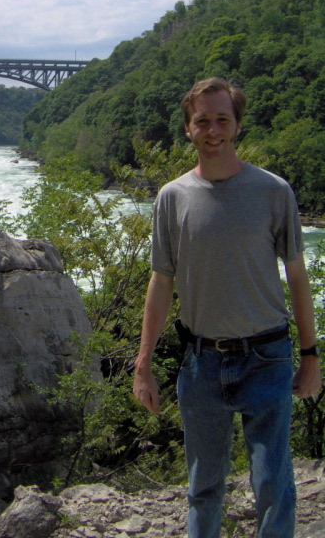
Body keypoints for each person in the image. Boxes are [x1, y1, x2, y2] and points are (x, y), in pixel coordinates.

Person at [133, 77, 322, 538]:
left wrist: (312, 355)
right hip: (200, 362)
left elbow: (297, 279)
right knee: (203, 486)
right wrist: (143, 364)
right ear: (187, 129)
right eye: (202, 121)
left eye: (222, 119)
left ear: (237, 126)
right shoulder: (172, 198)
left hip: (267, 357)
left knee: (273, 483)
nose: (212, 129)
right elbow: (161, 282)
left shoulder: (273, 192)